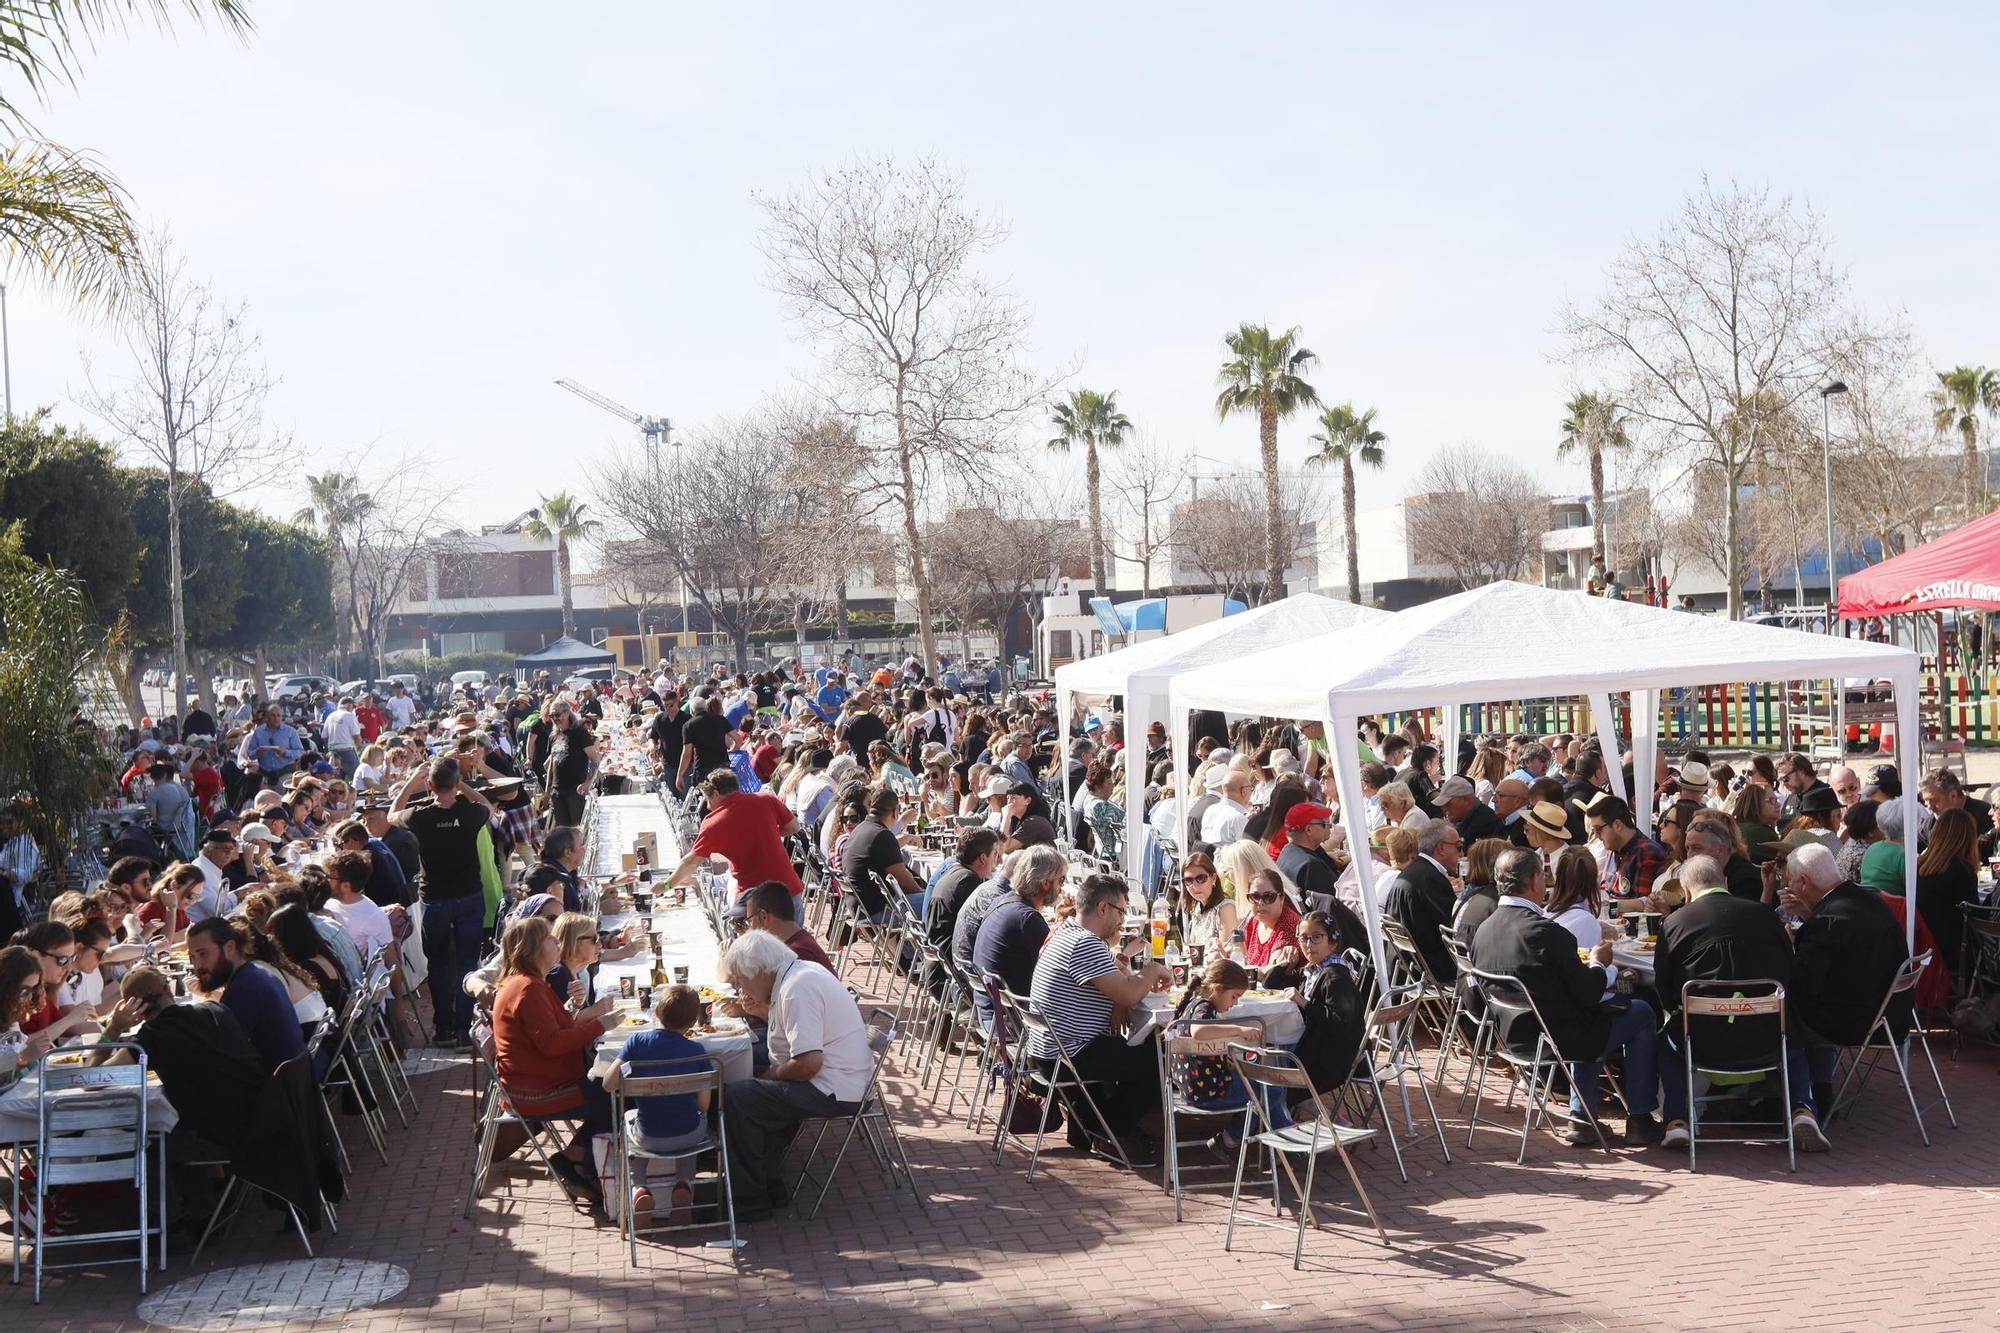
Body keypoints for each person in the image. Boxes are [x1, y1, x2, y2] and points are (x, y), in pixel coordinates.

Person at [1471, 848, 1662, 1146]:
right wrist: (1600, 964)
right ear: (1535, 880)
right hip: (1556, 1039)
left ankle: (1583, 1116)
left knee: (1596, 1013)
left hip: (1511, 1037)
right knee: (1641, 1011)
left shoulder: (1483, 930)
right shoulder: (1547, 933)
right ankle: (1639, 1117)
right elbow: (1588, 993)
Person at [1649, 854, 1824, 1151]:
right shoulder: (1766, 916)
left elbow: (1664, 989)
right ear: (1726, 883)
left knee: (1665, 1041)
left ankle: (1677, 1120)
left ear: (1687, 892)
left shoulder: (1674, 923)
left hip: (1702, 1039)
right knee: (1792, 1033)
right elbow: (1789, 972)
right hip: (1767, 1037)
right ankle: (1802, 1110)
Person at [719, 929, 874, 1222]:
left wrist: (770, 1074)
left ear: (759, 971)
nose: (741, 989)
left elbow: (807, 1064)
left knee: (740, 1097)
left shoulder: (796, 988)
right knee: (744, 1071)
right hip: (837, 1079)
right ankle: (767, 1180)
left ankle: (749, 1199)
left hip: (833, 1089)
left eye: (741, 981)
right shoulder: (799, 974)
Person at [1026, 873, 1171, 1167]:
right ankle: (1115, 1131)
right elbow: (1130, 994)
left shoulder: (1066, 932)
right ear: (1103, 908)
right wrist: (1153, 970)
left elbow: (1119, 990)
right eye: (1122, 911)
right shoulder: (1085, 944)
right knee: (1161, 1054)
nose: (1123, 921)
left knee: (1133, 1044)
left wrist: (1121, 996)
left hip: (1051, 1048)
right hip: (1069, 1053)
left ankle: (1093, 1126)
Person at [490, 916, 618, 1204]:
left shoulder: (530, 983)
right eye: (551, 939)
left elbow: (551, 1031)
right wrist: (601, 1024)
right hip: (537, 1091)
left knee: (610, 1087)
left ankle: (574, 1158)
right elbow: (551, 1044)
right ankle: (579, 1164)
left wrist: (574, 1010)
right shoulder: (528, 988)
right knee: (617, 1096)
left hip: (535, 1081)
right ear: (533, 948)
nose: (557, 943)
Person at [1781, 841, 1912, 1114]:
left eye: (1791, 882)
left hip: (1853, 1021)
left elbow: (1803, 984)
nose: (1789, 888)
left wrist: (1785, 945)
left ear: (1804, 882)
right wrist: (1808, 914)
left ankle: (1797, 1102)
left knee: (1783, 1014)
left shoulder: (1828, 920)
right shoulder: (1868, 899)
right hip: (1889, 1015)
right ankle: (1822, 1089)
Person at [391, 755, 497, 1048]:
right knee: (466, 961)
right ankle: (464, 1029)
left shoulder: (420, 816)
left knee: (437, 963)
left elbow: (391, 814)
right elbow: (489, 808)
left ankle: (444, 1029)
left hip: (436, 898)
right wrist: (463, 785)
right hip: (467, 895)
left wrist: (412, 782)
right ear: (454, 785)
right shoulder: (470, 812)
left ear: (430, 785)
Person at [603, 983, 713, 1226]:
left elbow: (609, 1084)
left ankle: (639, 1188)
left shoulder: (638, 1043)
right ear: (693, 1022)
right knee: (693, 1119)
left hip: (649, 1135)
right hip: (689, 1136)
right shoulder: (697, 1051)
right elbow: (704, 1105)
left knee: (632, 1122)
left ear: (657, 1013)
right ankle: (684, 1183)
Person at [1166, 958, 1290, 1159]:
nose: (1235, 1003)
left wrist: (1222, 1060)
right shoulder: (1203, 1008)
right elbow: (1199, 1031)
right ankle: (1234, 1139)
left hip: (1193, 1088)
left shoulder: (1193, 1003)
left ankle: (1286, 1141)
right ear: (1217, 989)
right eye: (1234, 997)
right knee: (1271, 1092)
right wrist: (1238, 1030)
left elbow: (1199, 1048)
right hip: (1209, 1092)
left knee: (1263, 1090)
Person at [185, 916, 306, 1074]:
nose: (197, 966)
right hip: (290, 1084)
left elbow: (220, 1054)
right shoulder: (254, 974)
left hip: (275, 1091)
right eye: (192, 957)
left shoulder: (245, 988)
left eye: (203, 954)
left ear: (229, 947)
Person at [668, 768, 805, 900]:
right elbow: (794, 826)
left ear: (716, 794)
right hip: (789, 890)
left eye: (707, 799)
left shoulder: (713, 822)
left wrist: (666, 885)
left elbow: (692, 861)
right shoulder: (766, 799)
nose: (708, 807)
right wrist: (766, 834)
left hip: (754, 897)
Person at [1289, 911, 1366, 1099]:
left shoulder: (1335, 976)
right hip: (1320, 1048)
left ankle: (1285, 1116)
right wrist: (1287, 966)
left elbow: (1340, 1023)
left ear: (1332, 942)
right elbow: (1273, 985)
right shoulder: (1315, 969)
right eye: (1303, 938)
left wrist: (1304, 1003)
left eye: (1316, 937)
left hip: (1335, 1059)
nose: (1308, 945)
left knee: (1275, 1076)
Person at [971, 847, 1057, 1008]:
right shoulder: (1027, 919)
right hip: (1006, 1019)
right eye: (1061, 880)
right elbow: (1060, 970)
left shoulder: (1002, 901)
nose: (1061, 887)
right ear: (1046, 883)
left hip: (986, 1005)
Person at [1385, 819, 1461, 983]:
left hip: (1407, 968)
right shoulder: (1429, 878)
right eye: (1458, 847)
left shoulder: (1413, 872)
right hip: (1429, 970)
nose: (1461, 854)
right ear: (1441, 848)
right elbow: (1453, 929)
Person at [1912, 806, 1981, 975]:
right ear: (1967, 837)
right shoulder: (1961, 870)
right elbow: (1972, 914)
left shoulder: (1920, 865)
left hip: (1923, 945)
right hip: (1954, 951)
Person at [839, 786, 924, 923]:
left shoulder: (860, 829)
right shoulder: (882, 835)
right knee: (938, 905)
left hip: (859, 908)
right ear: (895, 812)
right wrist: (925, 895)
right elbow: (905, 884)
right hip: (878, 910)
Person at [925, 827, 1003, 953]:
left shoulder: (953, 872)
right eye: (996, 854)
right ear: (983, 858)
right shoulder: (968, 882)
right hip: (951, 963)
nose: (999, 860)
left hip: (939, 956)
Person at [734, 879, 835, 971]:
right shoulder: (796, 942)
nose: (748, 929)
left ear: (763, 916)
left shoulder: (796, 954)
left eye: (749, 921)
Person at [1274, 802, 1340, 912]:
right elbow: (1335, 905)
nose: (1329, 827)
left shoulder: (1287, 851)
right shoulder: (1310, 866)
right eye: (1324, 824)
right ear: (1309, 829)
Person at [544, 696, 599, 828]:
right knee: (563, 832)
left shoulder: (580, 733)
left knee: (577, 830)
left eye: (557, 715)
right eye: (552, 716)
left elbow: (595, 758)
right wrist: (547, 791)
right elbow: (551, 763)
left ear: (567, 712)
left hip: (575, 791)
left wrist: (588, 782)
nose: (555, 719)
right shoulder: (553, 736)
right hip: (557, 791)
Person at [1177, 849, 1238, 962]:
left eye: (1201, 878)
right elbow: (1193, 949)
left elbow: (1226, 954)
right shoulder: (1197, 908)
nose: (1194, 885)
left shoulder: (1226, 908)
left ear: (1213, 878)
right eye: (1188, 880)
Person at [1241, 868, 1303, 970]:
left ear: (1281, 898)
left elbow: (1270, 972)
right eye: (1255, 897)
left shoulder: (1290, 925)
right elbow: (1243, 958)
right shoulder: (1254, 921)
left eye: (1268, 897)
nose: (1260, 903)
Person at [1546, 846, 1604, 947]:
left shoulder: (1545, 911)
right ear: (1593, 879)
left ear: (1558, 877)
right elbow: (1590, 961)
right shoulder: (1586, 921)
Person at [523, 825, 588, 913]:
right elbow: (571, 921)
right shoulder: (555, 882)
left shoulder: (552, 870)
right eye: (581, 845)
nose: (584, 850)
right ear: (568, 852)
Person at [1440, 775, 1504, 846]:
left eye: (1448, 804)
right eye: (1442, 805)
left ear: (1465, 800)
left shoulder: (1486, 823)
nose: (1444, 809)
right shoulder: (1462, 819)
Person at [1199, 765, 1253, 847]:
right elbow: (1247, 852)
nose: (1251, 792)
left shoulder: (1210, 810)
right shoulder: (1237, 818)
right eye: (1251, 788)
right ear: (1244, 791)